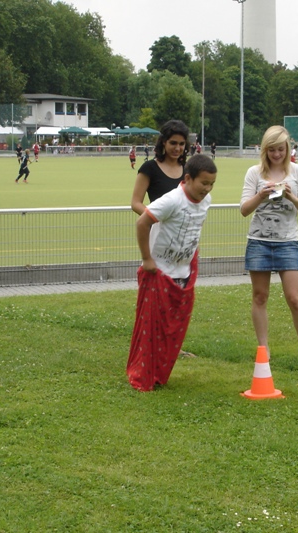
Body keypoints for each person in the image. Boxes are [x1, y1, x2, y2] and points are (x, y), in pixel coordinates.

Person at [127, 154, 218, 391]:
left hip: (183, 274)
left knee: (173, 330)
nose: (207, 189)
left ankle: (159, 372)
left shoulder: (206, 201)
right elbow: (142, 223)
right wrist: (147, 259)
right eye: (204, 183)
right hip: (159, 273)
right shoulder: (171, 200)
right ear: (188, 178)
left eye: (212, 184)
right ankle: (144, 374)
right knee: (152, 329)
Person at [240, 125, 298, 369]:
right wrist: (262, 195)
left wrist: (291, 196)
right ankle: (264, 348)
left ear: (288, 148)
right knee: (260, 296)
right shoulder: (254, 173)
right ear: (265, 150)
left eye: (280, 149)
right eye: (271, 150)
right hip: (259, 242)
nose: (276, 154)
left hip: (287, 243)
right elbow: (244, 210)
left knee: (294, 298)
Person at [131, 119, 198, 359]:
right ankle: (150, 344)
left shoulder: (188, 170)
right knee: (155, 297)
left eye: (181, 144)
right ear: (163, 142)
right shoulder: (149, 168)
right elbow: (135, 202)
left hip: (180, 243)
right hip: (156, 240)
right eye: (173, 143)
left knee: (177, 298)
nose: (177, 148)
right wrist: (156, 219)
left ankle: (173, 347)